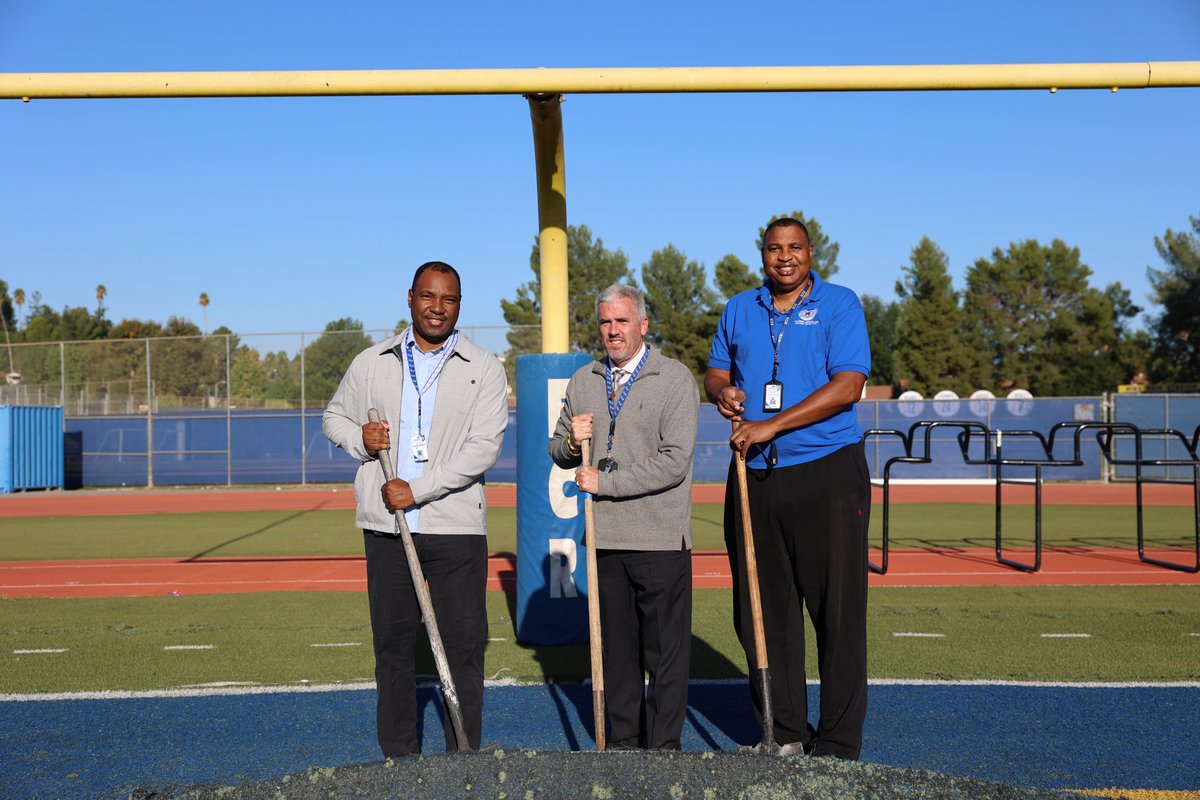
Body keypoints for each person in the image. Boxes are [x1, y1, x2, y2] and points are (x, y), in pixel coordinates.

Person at [322, 261, 508, 756]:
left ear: (459, 306)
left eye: (448, 300)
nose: (437, 308)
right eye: (428, 297)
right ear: (410, 298)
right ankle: (400, 761)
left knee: (464, 648)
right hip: (388, 528)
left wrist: (419, 489)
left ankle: (461, 760)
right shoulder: (371, 361)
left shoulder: (484, 367)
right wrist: (360, 440)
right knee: (393, 649)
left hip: (456, 527)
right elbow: (333, 417)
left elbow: (483, 448)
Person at [704, 217, 871, 760]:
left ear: (810, 252)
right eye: (774, 248)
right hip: (754, 474)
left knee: (836, 612)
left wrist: (771, 424)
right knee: (761, 611)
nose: (784, 257)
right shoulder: (738, 308)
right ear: (762, 254)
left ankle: (839, 744)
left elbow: (849, 386)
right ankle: (785, 735)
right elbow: (714, 371)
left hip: (827, 472)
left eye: (794, 247)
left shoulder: (840, 303)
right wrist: (724, 391)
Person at [549, 283, 699, 751]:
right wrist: (573, 442)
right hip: (606, 540)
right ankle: (624, 746)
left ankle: (664, 748)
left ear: (642, 325)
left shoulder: (673, 378)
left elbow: (674, 461)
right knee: (617, 656)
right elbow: (557, 450)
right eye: (605, 322)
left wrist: (606, 483)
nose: (613, 332)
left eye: (622, 322)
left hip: (659, 540)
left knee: (665, 656)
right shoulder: (584, 379)